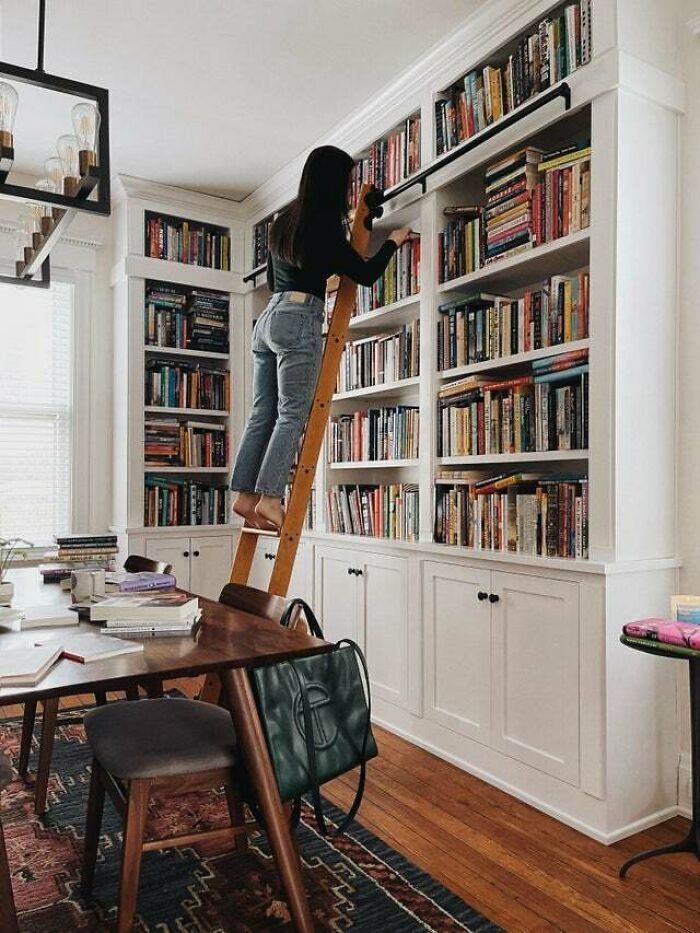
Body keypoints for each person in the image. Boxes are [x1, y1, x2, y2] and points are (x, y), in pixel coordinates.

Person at [231, 145, 410, 530]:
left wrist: (315, 286)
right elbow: (363, 274)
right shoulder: (324, 224)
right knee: (293, 413)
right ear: (335, 183)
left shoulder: (283, 221)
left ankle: (246, 497)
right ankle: (271, 497)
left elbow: (276, 281)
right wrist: (394, 241)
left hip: (268, 319)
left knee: (263, 412)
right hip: (298, 319)